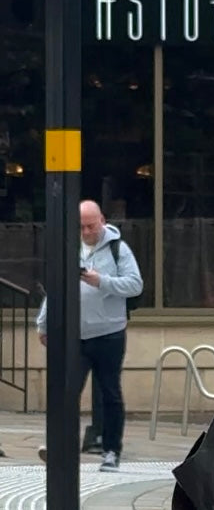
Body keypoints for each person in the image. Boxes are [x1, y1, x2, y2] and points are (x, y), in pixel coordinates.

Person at [37, 201, 142, 472]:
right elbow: (57, 286)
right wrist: (44, 322)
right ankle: (59, 447)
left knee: (110, 393)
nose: (86, 231)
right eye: (81, 226)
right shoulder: (72, 246)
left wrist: (102, 281)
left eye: (91, 226)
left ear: (102, 220)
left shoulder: (119, 248)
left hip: (109, 334)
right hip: (77, 335)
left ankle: (111, 451)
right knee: (66, 391)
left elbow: (135, 284)